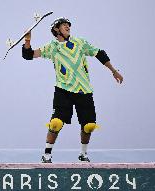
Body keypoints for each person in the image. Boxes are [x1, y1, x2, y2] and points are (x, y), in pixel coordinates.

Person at [22, 17, 123, 163]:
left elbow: (99, 53)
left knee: (89, 126)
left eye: (68, 25)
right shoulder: (52, 47)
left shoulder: (80, 43)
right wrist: (27, 40)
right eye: (64, 25)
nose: (67, 27)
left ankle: (83, 155)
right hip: (63, 90)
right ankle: (46, 156)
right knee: (55, 123)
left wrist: (113, 70)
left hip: (84, 91)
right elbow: (28, 55)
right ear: (56, 29)